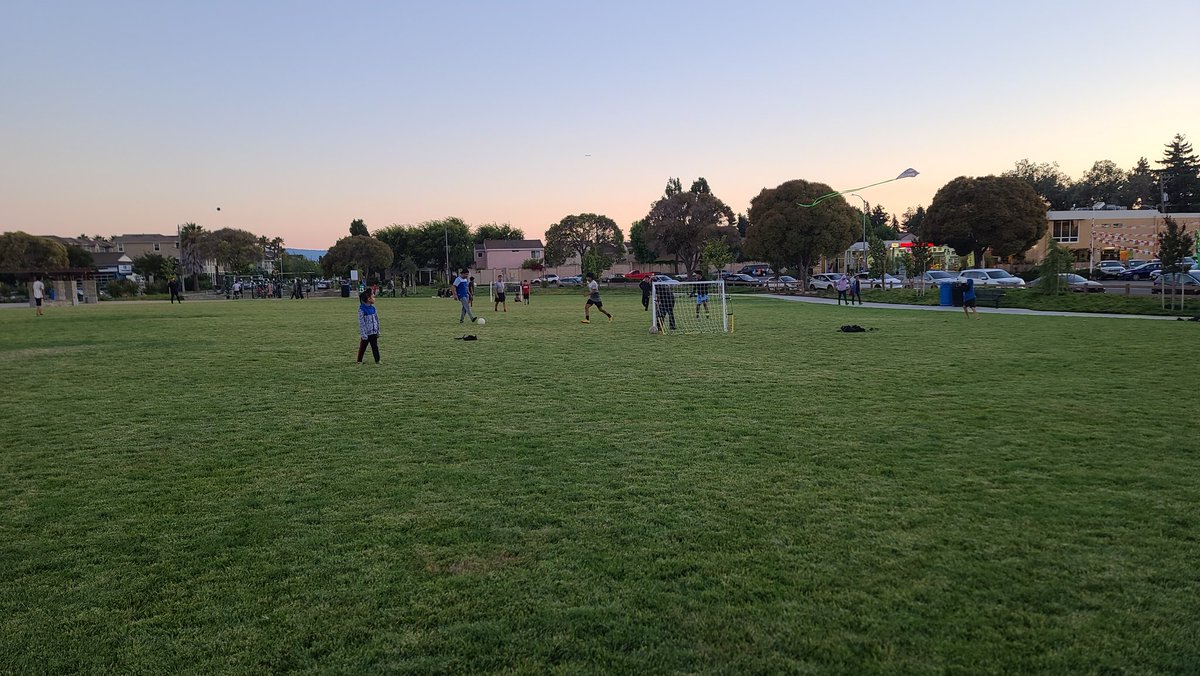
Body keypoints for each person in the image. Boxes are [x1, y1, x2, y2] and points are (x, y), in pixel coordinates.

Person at [356, 289, 381, 364]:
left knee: (375, 347)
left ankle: (377, 360)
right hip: (366, 333)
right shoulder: (362, 310)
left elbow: (377, 320)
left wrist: (377, 330)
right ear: (368, 299)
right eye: (373, 296)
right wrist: (363, 334)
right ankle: (359, 360)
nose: (374, 297)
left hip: (373, 332)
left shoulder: (373, 308)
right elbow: (362, 323)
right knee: (363, 347)